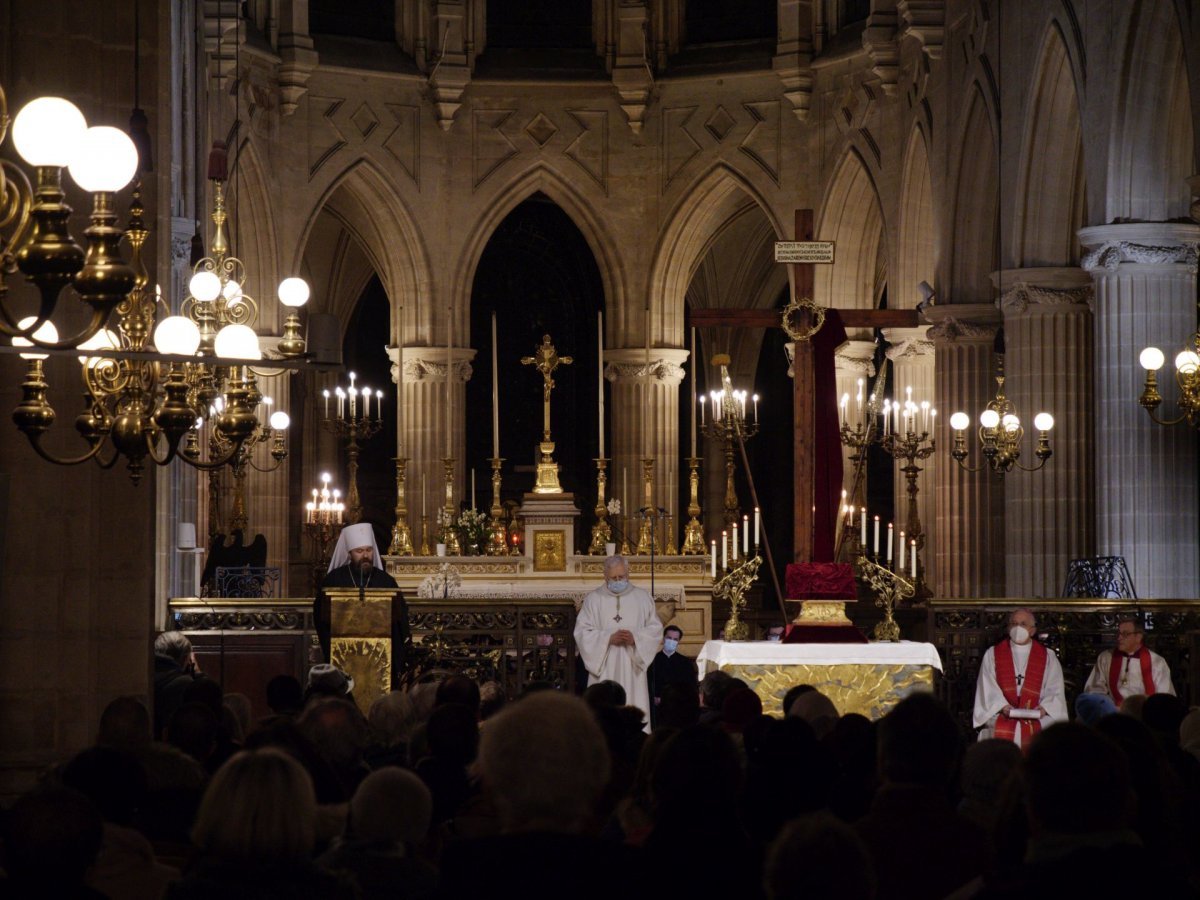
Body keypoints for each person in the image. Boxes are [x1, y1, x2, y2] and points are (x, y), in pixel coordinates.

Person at [574, 555, 663, 730]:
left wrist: (636, 639)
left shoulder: (642, 598)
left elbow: (655, 629)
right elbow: (582, 632)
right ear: (605, 576)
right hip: (604, 664)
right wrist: (607, 638)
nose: (618, 581)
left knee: (633, 704)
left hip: (632, 666)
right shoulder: (593, 600)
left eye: (621, 577)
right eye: (613, 578)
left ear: (628, 573)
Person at [316, 522, 409, 677]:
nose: (365, 556)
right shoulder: (334, 580)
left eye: (368, 550)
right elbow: (321, 618)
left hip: (380, 660)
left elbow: (400, 620)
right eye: (359, 551)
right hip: (342, 657)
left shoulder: (386, 582)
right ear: (349, 553)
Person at [972, 607, 1067, 748]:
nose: (1017, 628)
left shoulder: (1048, 656)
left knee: (1048, 727)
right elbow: (987, 686)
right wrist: (1003, 707)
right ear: (1008, 627)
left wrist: (1044, 708)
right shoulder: (993, 654)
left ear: (1033, 630)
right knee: (1002, 727)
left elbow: (1055, 689)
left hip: (1037, 713)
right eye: (1014, 623)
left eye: (1023, 624)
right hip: (1003, 712)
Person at [1079, 616, 1175, 717]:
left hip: (1146, 717)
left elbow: (1164, 697)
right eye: (1118, 633)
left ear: (1138, 637)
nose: (1119, 638)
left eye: (1125, 634)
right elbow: (1094, 692)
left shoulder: (1157, 662)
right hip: (1114, 716)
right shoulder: (1106, 658)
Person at [647, 624, 698, 728]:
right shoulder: (652, 661)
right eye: (669, 638)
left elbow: (690, 687)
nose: (672, 641)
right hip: (657, 708)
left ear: (678, 641)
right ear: (663, 638)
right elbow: (647, 683)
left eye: (675, 639)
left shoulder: (686, 663)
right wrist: (654, 698)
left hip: (679, 707)